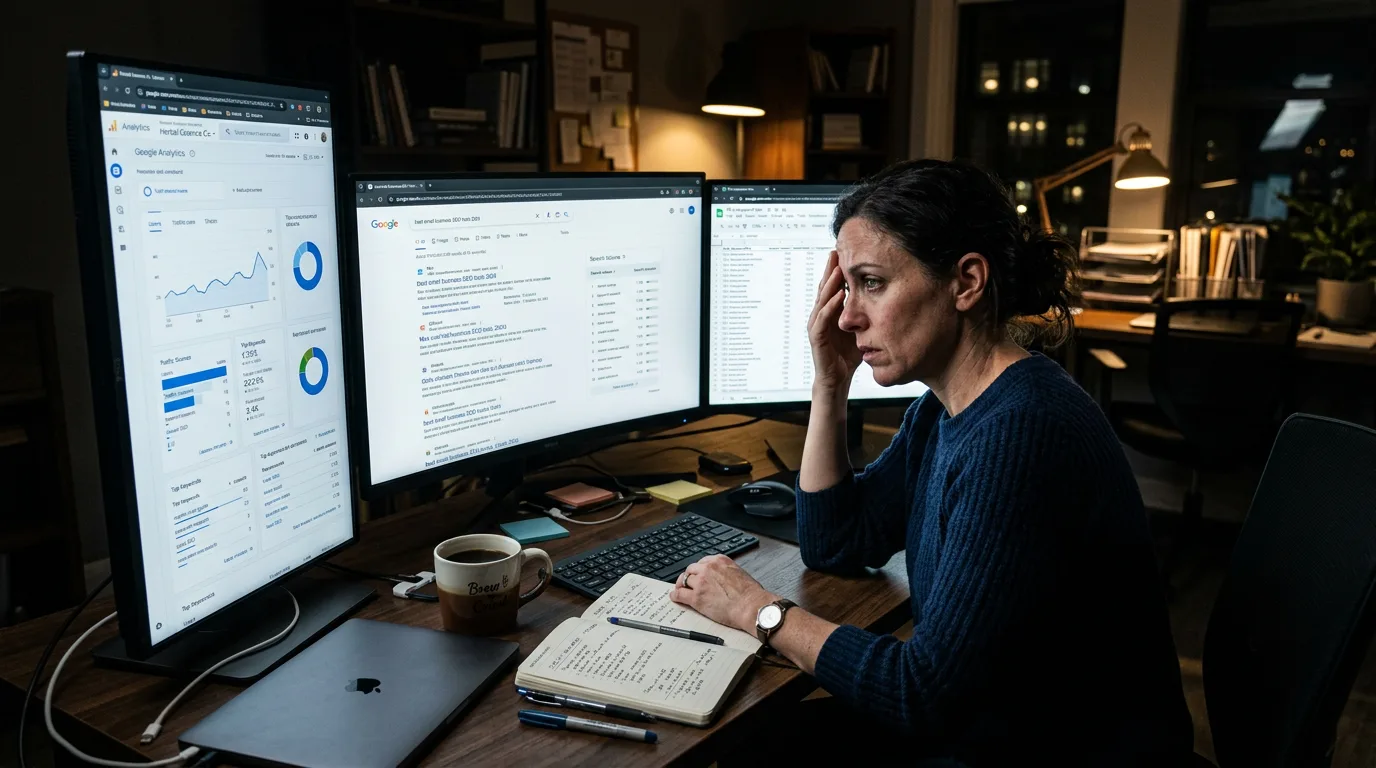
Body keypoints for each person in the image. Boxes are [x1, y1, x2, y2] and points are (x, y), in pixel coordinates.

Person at [669, 159, 1193, 765]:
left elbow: (923, 692)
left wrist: (758, 611)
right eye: (846, 288)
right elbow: (836, 540)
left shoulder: (1022, 433)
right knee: (759, 743)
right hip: (993, 724)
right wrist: (830, 384)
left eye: (872, 283)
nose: (846, 317)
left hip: (1059, 749)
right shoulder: (945, 406)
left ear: (966, 282)